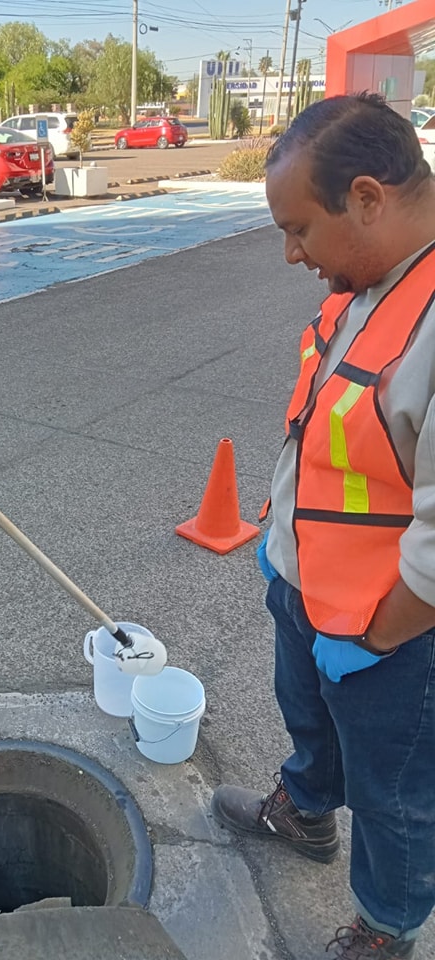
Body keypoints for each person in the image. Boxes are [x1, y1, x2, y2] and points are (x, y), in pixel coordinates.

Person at [210, 93, 435, 960]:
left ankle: (388, 924)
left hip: (389, 632)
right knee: (310, 719)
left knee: (396, 789)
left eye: (299, 227)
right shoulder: (375, 280)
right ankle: (305, 811)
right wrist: (290, 569)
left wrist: (375, 639)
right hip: (310, 587)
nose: (291, 251)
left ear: (368, 198)